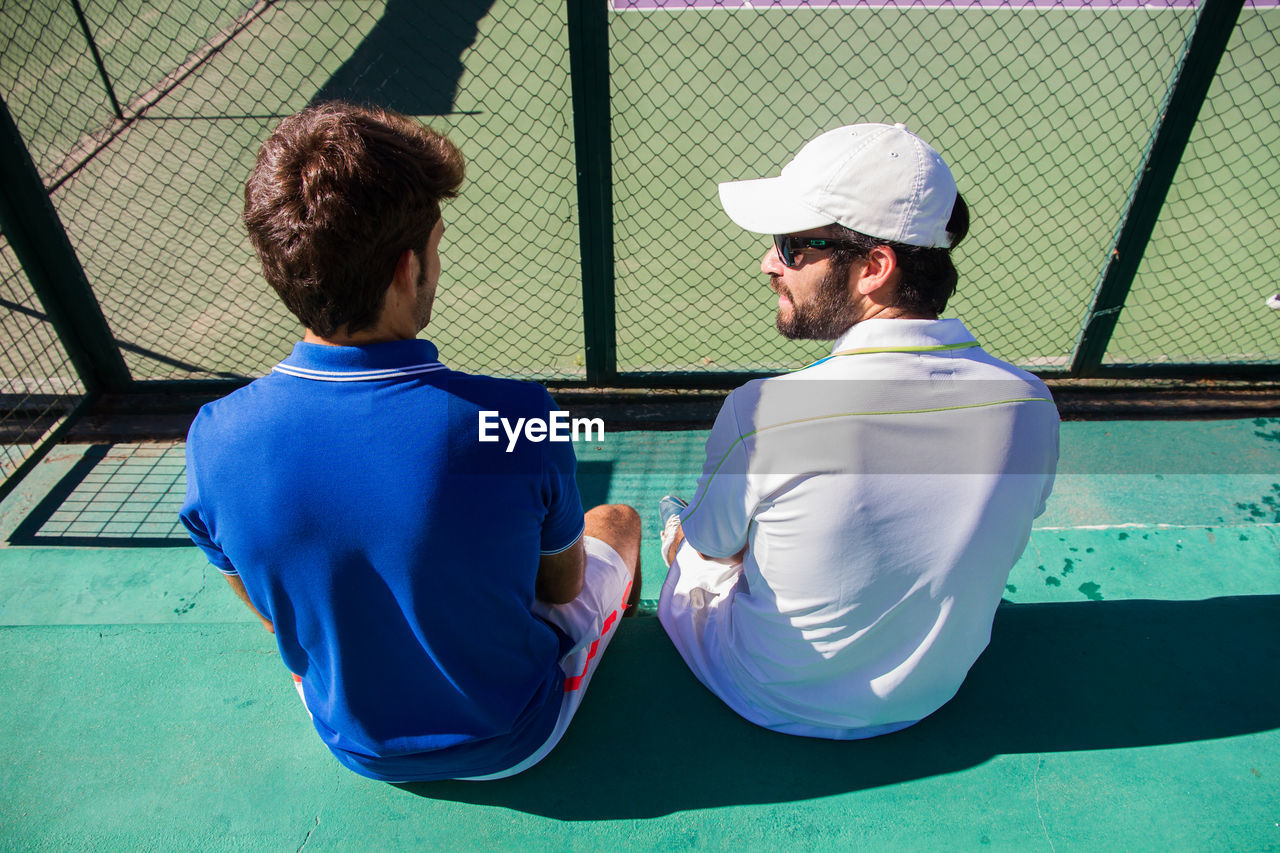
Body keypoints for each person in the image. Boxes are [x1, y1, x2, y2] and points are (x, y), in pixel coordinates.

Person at [180, 103, 641, 782]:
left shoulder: (214, 438)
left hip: (352, 743)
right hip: (515, 733)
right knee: (618, 521)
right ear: (405, 270)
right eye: (436, 245)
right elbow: (561, 583)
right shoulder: (518, 417)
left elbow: (268, 606)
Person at [658, 122, 1059, 740]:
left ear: (874, 267)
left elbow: (712, 550)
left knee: (684, 535)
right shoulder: (1032, 402)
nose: (770, 263)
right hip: (935, 693)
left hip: (766, 694)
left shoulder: (764, 412)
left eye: (794, 246)